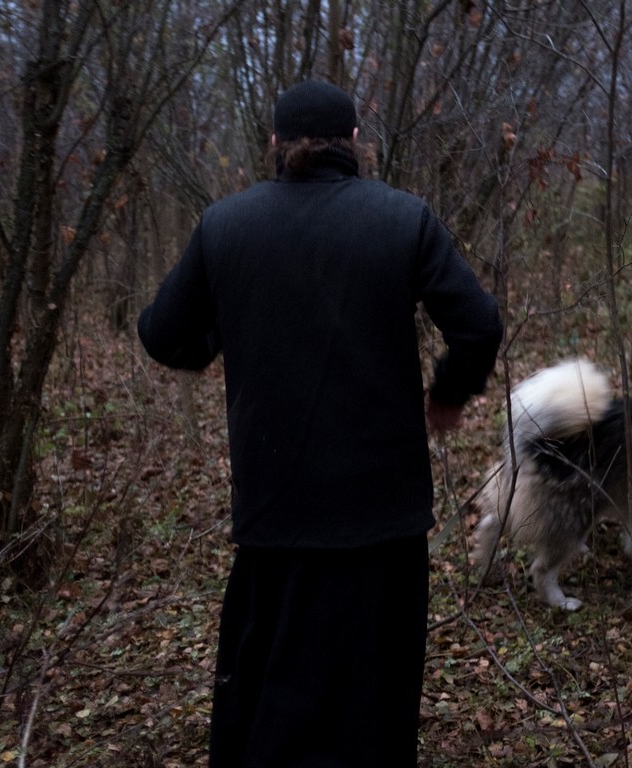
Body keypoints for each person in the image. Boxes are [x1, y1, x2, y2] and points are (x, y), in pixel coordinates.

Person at [138, 80, 502, 767]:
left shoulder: (226, 225)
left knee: (270, 696)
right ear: (356, 142)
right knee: (375, 700)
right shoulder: (403, 219)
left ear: (275, 144)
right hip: (383, 518)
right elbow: (479, 326)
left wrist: (220, 335)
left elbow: (162, 334)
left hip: (275, 512)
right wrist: (449, 396)